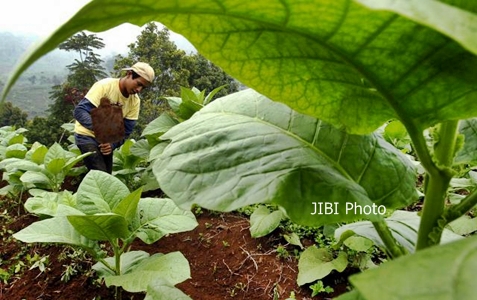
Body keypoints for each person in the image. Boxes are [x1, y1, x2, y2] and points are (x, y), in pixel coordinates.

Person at [73, 62, 155, 173]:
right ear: (129, 74)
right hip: (87, 136)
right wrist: (100, 129)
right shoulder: (105, 86)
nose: (139, 90)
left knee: (107, 175)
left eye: (143, 87)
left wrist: (112, 145)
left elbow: (126, 131)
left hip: (107, 140)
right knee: (100, 175)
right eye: (138, 84)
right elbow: (80, 111)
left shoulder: (135, 101)